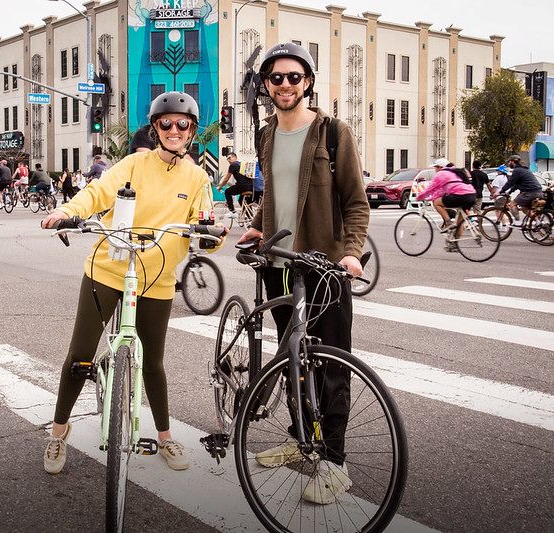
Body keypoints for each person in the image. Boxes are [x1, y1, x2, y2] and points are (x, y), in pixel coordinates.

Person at [40, 91, 222, 475]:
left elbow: (206, 218)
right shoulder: (134, 163)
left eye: (182, 124)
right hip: (108, 267)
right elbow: (97, 193)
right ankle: (58, 433)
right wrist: (67, 210)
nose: (174, 129)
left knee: (153, 363)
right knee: (80, 356)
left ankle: (166, 438)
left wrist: (212, 234)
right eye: (166, 123)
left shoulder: (198, 177)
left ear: (191, 130)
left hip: (156, 277)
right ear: (155, 128)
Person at [238, 42, 369, 505]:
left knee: (330, 363)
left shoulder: (334, 133)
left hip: (324, 266)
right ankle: (300, 439)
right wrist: (257, 227)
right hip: (280, 265)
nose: (286, 85)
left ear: (308, 82)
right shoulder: (267, 134)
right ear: (267, 86)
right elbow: (275, 193)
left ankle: (334, 461)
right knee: (293, 357)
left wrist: (351, 254)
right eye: (276, 78)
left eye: (295, 77)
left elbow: (356, 203)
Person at [417, 158, 476, 232]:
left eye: (435, 167)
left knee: (436, 203)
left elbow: (430, 188)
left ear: (440, 167)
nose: (435, 169)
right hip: (472, 195)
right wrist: (430, 198)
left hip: (460, 196)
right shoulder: (455, 172)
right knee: (459, 224)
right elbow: (440, 192)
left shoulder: (441, 174)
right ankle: (455, 242)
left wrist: (420, 197)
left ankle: (448, 222)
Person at [500, 155, 544, 219]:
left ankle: (517, 222)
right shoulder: (525, 169)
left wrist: (501, 191)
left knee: (512, 204)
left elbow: (510, 182)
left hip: (529, 193)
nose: (509, 164)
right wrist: (509, 192)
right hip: (539, 192)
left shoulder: (517, 170)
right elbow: (517, 185)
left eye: (509, 162)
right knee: (524, 208)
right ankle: (538, 223)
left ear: (513, 161)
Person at [217, 152, 253, 217]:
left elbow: (226, 179)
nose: (228, 160)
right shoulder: (242, 164)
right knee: (241, 200)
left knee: (227, 192)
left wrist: (220, 186)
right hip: (251, 187)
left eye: (229, 158)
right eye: (227, 159)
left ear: (235, 157)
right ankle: (250, 219)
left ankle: (232, 211)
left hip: (242, 186)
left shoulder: (233, 165)